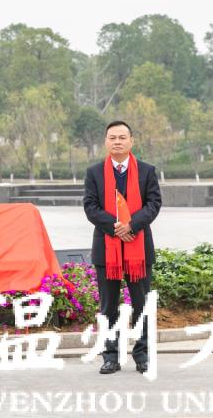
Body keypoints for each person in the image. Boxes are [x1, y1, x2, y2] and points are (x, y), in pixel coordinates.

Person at [83, 120, 162, 375]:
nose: (117, 141)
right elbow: (90, 207)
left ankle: (142, 355)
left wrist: (132, 225)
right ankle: (110, 356)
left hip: (139, 248)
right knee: (108, 307)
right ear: (106, 142)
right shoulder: (94, 172)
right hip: (107, 249)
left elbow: (154, 203)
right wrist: (115, 227)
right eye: (112, 137)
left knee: (141, 305)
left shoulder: (147, 171)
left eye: (122, 137)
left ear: (131, 141)